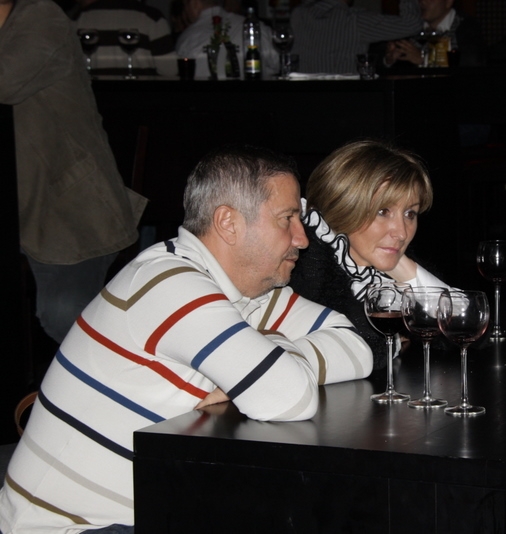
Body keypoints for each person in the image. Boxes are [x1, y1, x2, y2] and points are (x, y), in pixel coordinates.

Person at [0, 145, 373, 532]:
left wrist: (275, 350)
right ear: (228, 223)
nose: (302, 238)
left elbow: (355, 347)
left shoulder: (250, 292)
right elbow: (288, 397)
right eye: (287, 218)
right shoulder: (169, 284)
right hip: (73, 527)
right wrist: (264, 369)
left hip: (148, 510)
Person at [0, 0, 147, 346]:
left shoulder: (41, 15)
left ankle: (132, 372)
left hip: (67, 210)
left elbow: (5, 81)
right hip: (18, 207)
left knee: (63, 311)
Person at [290, 139, 448, 371]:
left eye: (410, 213)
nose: (402, 233)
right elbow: (349, 349)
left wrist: (407, 270)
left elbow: (468, 331)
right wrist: (394, 341)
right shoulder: (307, 263)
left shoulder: (382, 260)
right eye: (383, 211)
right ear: (344, 205)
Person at [289, 0, 422, 74]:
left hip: (302, 102)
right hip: (346, 104)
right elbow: (412, 24)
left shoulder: (298, 14)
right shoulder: (354, 21)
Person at [176, 0, 279, 79]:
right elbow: (280, 64)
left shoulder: (187, 38)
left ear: (195, 4)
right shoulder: (258, 28)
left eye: (185, 6)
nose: (185, 13)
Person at [75, 0, 178, 76]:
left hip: (94, 96)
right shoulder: (151, 17)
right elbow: (169, 70)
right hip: (141, 96)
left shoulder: (79, 17)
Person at [381, 0, 486, 69]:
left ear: (448, 2)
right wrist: (390, 60)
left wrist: (423, 59)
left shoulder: (467, 27)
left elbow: (472, 63)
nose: (422, 1)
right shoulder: (411, 27)